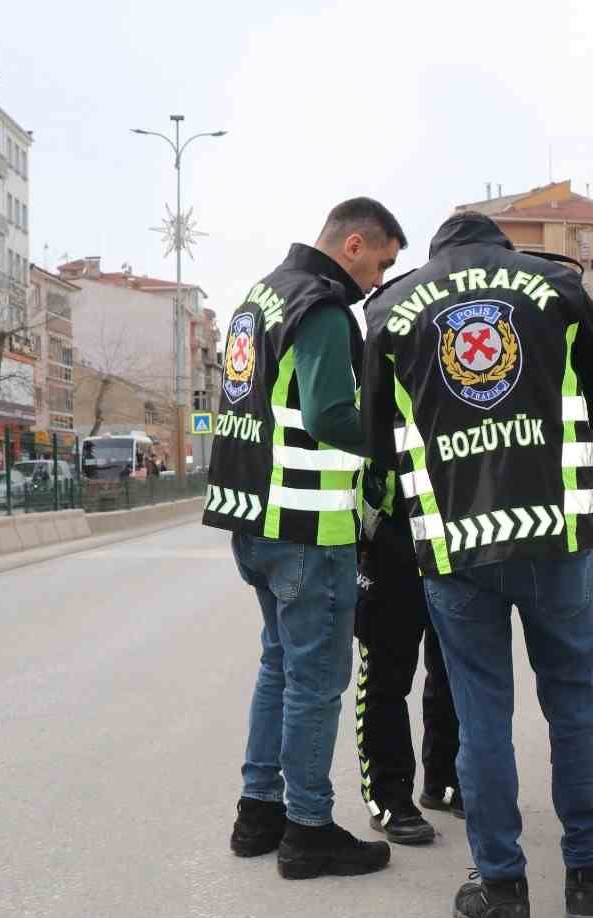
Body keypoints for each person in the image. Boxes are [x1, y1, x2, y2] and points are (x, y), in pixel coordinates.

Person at [360, 211, 593, 918]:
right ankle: (587, 880)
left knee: (482, 716)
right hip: (556, 533)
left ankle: (503, 891)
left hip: (454, 544)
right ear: (501, 247)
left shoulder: (390, 307)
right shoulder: (558, 287)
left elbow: (375, 439)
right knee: (574, 705)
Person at [208, 197, 407, 881]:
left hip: (252, 519)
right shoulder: (321, 307)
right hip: (307, 525)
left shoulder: (257, 299)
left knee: (280, 667)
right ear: (353, 244)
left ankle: (257, 812)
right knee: (317, 681)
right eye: (380, 264)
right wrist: (397, 446)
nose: (377, 282)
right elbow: (328, 415)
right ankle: (309, 829)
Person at [350, 458, 463, 845]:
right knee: (386, 673)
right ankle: (388, 797)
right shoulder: (373, 392)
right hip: (392, 524)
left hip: (455, 515)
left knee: (456, 665)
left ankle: (446, 778)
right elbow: (335, 421)